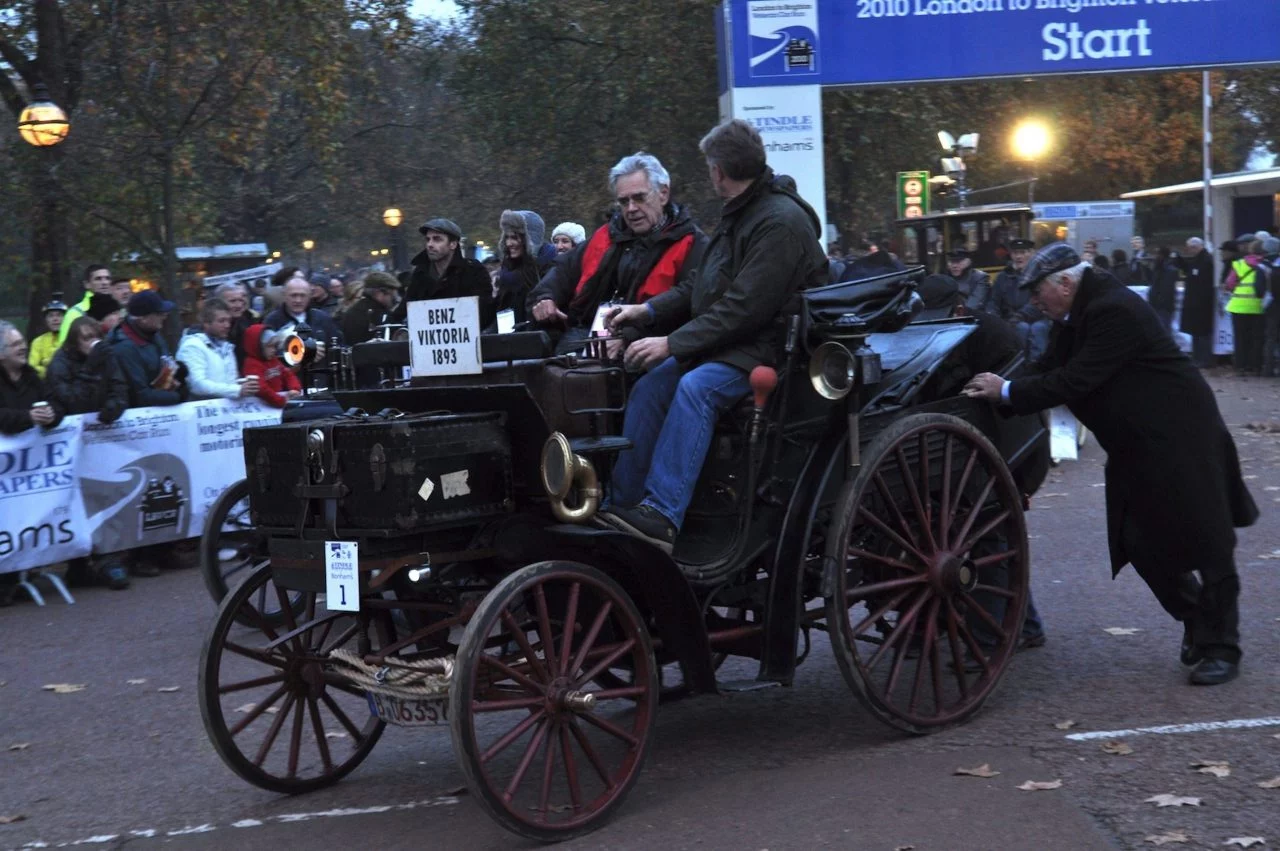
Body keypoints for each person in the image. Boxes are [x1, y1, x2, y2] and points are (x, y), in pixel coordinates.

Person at [962, 243, 1257, 686]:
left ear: (1065, 283)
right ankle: (1198, 620)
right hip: (1134, 445)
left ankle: (1222, 647)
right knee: (1136, 540)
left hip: (1183, 437)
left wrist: (1006, 392)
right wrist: (996, 393)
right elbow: (1045, 366)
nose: (1033, 301)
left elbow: (1075, 379)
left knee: (1209, 543)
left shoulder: (1113, 309)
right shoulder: (1074, 313)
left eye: (1038, 292)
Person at [598, 118, 827, 552]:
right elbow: (703, 286)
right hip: (732, 346)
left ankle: (662, 515)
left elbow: (744, 309)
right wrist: (646, 310)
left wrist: (671, 343)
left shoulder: (778, 222)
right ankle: (622, 508)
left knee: (694, 388)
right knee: (650, 386)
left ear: (719, 171)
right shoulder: (744, 214)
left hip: (768, 351)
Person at [527, 151, 706, 356]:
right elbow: (564, 269)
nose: (631, 208)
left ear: (663, 194)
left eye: (639, 198)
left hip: (644, 344)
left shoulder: (691, 243)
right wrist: (546, 297)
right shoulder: (607, 234)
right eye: (623, 201)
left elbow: (686, 300)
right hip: (584, 335)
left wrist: (629, 337)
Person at [45, 316, 132, 591]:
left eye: (94, 336)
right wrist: (91, 367)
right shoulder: (60, 363)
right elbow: (71, 400)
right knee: (76, 501)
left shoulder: (106, 356)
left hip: (102, 440)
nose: (92, 342)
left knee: (106, 496)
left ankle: (109, 561)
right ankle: (78, 565)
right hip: (72, 444)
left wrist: (113, 408)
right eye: (85, 338)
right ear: (73, 341)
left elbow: (120, 388)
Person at [396, 218, 493, 327]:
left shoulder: (473, 270)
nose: (430, 244)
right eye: (428, 239)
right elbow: (404, 309)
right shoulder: (420, 274)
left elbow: (485, 311)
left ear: (453, 244)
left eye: (437, 239)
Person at [107, 290, 187, 408]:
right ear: (142, 318)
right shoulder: (123, 349)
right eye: (159, 313)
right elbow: (140, 395)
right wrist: (176, 397)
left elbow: (163, 364)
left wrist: (177, 374)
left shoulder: (153, 333)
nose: (165, 315)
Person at [177, 298, 260, 400]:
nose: (227, 325)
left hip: (226, 409)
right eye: (222, 321)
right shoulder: (192, 346)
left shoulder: (226, 346)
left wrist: (242, 385)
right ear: (206, 323)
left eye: (229, 321)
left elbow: (228, 381)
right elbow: (197, 385)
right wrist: (237, 390)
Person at [989, 238, 1051, 361]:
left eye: (1023, 252)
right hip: (1010, 319)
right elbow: (993, 301)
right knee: (1021, 327)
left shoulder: (1041, 274)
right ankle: (1018, 366)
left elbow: (1039, 301)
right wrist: (993, 319)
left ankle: (1038, 366)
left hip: (1040, 317)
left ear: (1032, 253)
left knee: (1037, 328)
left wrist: (1018, 316)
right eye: (1015, 253)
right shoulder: (1003, 277)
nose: (1018, 256)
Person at [494, 210, 556, 327]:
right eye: (506, 237)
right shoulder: (507, 271)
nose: (509, 243)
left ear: (529, 239)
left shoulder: (549, 267)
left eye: (514, 237)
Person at [1, 319, 63, 435]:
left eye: (22, 342)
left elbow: (56, 402)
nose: (23, 347)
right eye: (15, 345)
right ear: (1, 354)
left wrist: (52, 415)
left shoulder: (32, 376)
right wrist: (28, 417)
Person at [1223, 239, 1267, 375]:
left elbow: (1229, 284)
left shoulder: (1239, 264)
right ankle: (1255, 367)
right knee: (1257, 338)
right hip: (1259, 306)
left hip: (1238, 306)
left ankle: (1240, 367)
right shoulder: (1265, 264)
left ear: (1250, 250)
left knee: (1240, 338)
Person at [264, 276, 344, 345]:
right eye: (293, 295)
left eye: (303, 295)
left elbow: (338, 344)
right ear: (284, 296)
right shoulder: (272, 320)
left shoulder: (322, 318)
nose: (298, 300)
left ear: (309, 296)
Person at [1175, 237, 1216, 367]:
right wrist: (1179, 260)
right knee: (1196, 332)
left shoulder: (1206, 260)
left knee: (1202, 333)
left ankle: (1204, 358)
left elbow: (1202, 281)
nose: (1188, 251)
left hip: (1202, 303)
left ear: (1195, 247)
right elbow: (1189, 270)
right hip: (1195, 302)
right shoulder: (1198, 260)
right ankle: (1198, 357)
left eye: (1189, 248)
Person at [240, 324, 302, 408]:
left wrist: (294, 389)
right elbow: (261, 388)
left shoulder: (273, 360)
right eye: (269, 346)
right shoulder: (252, 364)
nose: (274, 350)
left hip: (277, 401)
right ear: (258, 346)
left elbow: (287, 374)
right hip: (262, 405)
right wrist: (280, 401)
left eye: (275, 346)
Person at [342, 271, 400, 346]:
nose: (395, 300)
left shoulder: (352, 312)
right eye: (392, 296)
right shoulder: (381, 315)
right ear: (380, 293)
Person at [60, 264, 114, 343]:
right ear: (87, 284)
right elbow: (64, 346)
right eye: (98, 279)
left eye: (107, 278)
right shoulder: (75, 313)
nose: (104, 282)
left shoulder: (119, 309)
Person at [27, 298, 67, 378]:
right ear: (46, 320)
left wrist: (45, 364)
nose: (55, 319)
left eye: (59, 315)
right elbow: (32, 367)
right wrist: (49, 372)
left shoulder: (70, 339)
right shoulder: (38, 342)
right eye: (51, 316)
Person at [839, 239, 905, 282]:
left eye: (876, 250)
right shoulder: (854, 267)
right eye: (873, 250)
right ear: (864, 252)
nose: (876, 252)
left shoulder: (887, 263)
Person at [1260, 237, 1280, 377]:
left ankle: (1267, 368)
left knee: (1270, 337)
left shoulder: (1261, 265)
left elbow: (1259, 287)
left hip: (1269, 304)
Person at [1148, 246, 1179, 335]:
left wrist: (1157, 301)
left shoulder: (1168, 270)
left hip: (1162, 307)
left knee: (1163, 331)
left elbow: (1166, 290)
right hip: (1158, 305)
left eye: (1158, 254)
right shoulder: (1159, 269)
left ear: (1162, 255)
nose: (1155, 256)